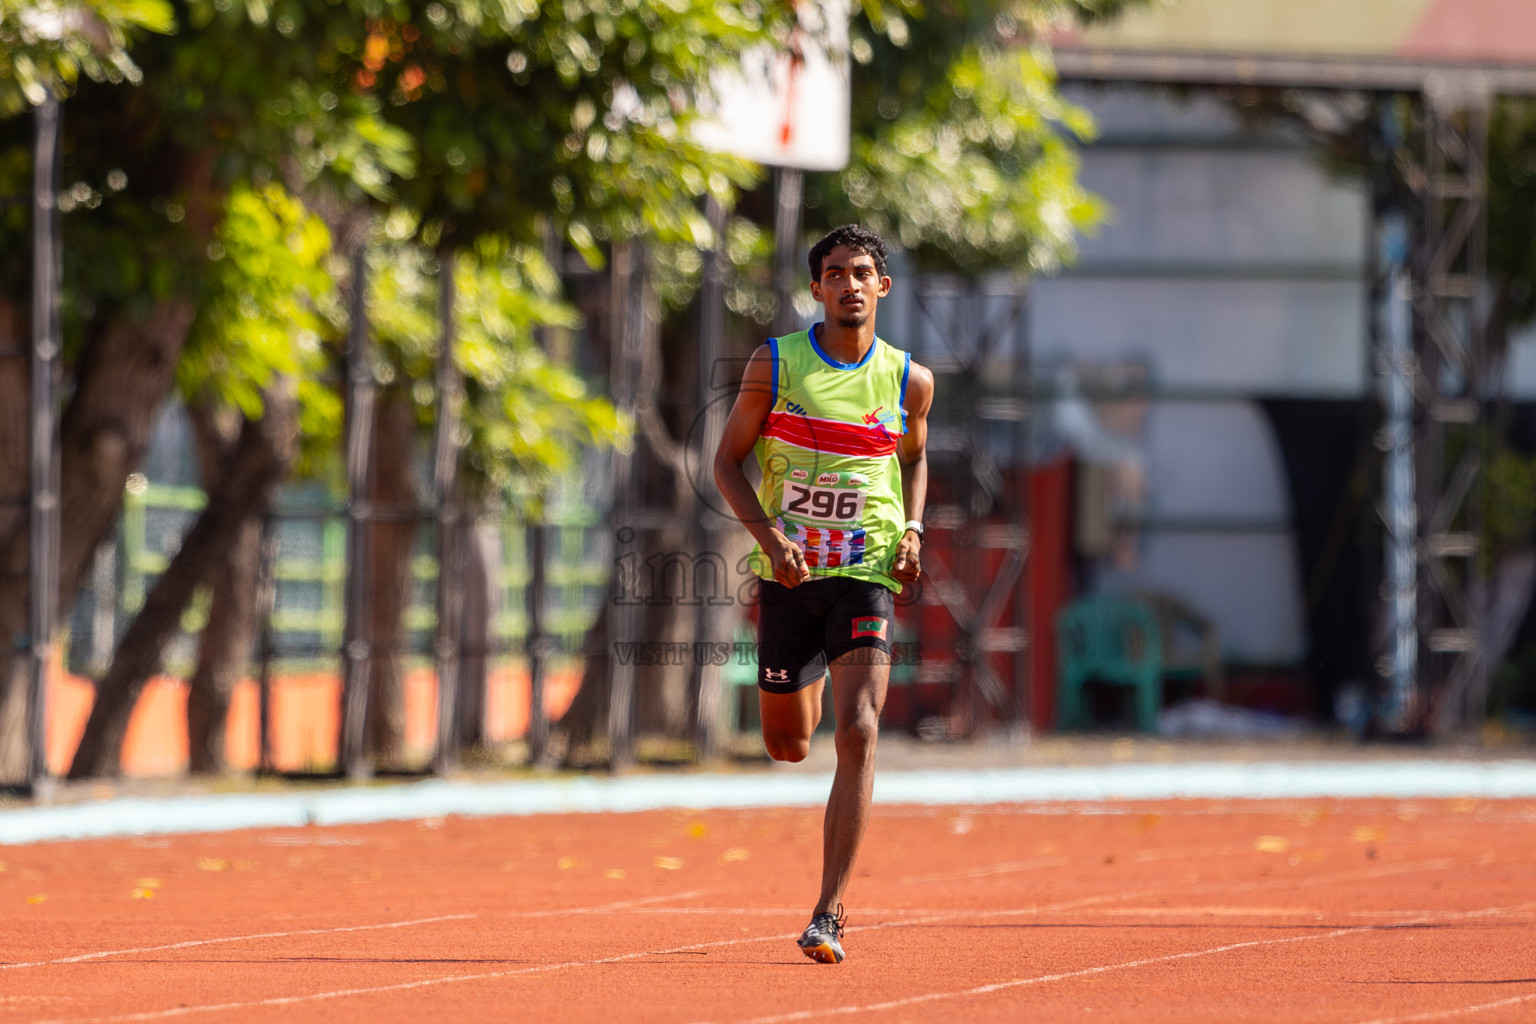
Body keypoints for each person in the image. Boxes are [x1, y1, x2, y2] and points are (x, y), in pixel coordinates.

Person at [713, 224, 932, 964]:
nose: (849, 285)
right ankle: (799, 683)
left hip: (866, 573)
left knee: (861, 730)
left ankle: (829, 912)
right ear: (817, 288)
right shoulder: (775, 364)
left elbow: (916, 457)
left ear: (883, 286)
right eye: (834, 273)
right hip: (789, 578)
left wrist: (914, 528)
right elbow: (725, 464)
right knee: (787, 744)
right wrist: (771, 539)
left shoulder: (909, 379)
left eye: (862, 272)